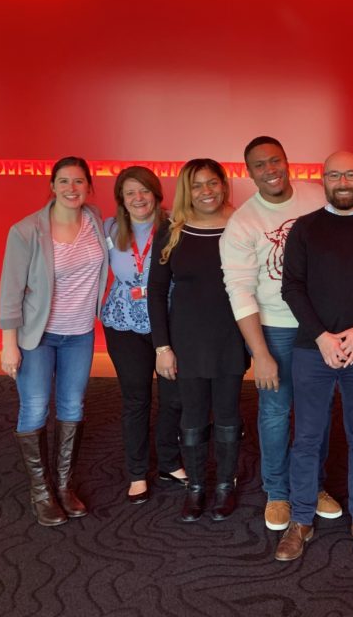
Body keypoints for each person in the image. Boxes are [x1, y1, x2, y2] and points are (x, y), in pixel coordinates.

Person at [276, 151, 353, 562]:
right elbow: (292, 287)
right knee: (307, 437)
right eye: (335, 174)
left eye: (350, 173)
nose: (343, 180)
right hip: (312, 351)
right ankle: (300, 519)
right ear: (323, 179)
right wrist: (323, 338)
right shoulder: (305, 229)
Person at [220, 137, 340, 532]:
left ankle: (313, 485)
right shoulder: (243, 222)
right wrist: (261, 353)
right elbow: (239, 290)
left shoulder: (315, 197)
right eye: (259, 164)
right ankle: (277, 492)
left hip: (320, 328)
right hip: (275, 329)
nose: (270, 169)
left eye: (275, 161)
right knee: (275, 412)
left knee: (316, 413)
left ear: (287, 162)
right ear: (249, 171)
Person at [0, 156, 108, 526]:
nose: (71, 189)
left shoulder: (95, 221)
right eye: (64, 181)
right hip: (37, 336)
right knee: (34, 406)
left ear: (89, 186)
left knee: (73, 406)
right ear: (52, 186)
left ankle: (63, 486)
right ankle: (40, 492)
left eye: (79, 182)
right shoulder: (27, 230)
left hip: (80, 333)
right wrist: (8, 343)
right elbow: (10, 292)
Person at [147, 158, 247, 523]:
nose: (206, 192)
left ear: (223, 184)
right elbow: (156, 292)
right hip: (185, 340)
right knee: (191, 416)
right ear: (188, 190)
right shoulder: (172, 230)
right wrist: (162, 347)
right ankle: (196, 488)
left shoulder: (241, 225)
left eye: (213, 183)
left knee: (226, 414)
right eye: (198, 185)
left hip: (230, 337)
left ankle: (224, 484)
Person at [101, 166, 186, 505]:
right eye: (130, 193)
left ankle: (168, 462)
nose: (138, 198)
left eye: (144, 191)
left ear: (156, 193)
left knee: (174, 397)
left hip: (169, 321)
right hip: (123, 324)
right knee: (136, 399)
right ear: (121, 199)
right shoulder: (108, 228)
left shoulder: (175, 226)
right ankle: (137, 472)